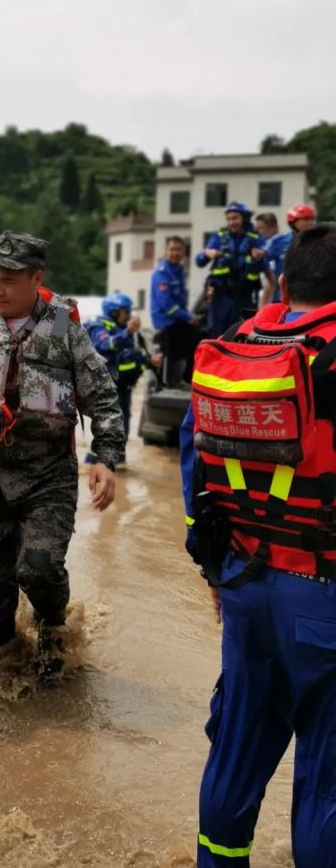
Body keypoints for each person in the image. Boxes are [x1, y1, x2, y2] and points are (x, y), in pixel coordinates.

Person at [180, 223, 336, 866]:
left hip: (245, 586)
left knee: (237, 749)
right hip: (325, 598)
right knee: (326, 780)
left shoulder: (232, 346)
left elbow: (195, 465)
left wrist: (216, 571)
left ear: (283, 280)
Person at [0, 230, 125, 677]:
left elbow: (104, 399)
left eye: (9, 280)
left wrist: (104, 459)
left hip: (48, 476)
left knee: (38, 569)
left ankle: (54, 630)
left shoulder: (63, 330)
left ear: (36, 279)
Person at [84, 291, 161, 456]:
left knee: (123, 423)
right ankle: (96, 464)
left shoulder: (123, 330)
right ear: (113, 312)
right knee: (108, 426)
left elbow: (129, 356)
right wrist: (128, 332)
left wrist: (149, 360)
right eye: (125, 312)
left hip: (124, 385)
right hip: (107, 386)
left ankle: (118, 463)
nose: (128, 316)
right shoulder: (99, 327)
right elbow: (106, 344)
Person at [195, 202, 267, 336]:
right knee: (217, 332)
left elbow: (266, 265)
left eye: (235, 218)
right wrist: (206, 253)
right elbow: (199, 261)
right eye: (229, 219)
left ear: (244, 218)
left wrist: (259, 258)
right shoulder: (219, 236)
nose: (232, 222)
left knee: (243, 332)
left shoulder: (255, 237)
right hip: (220, 295)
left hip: (245, 295)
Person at [150, 237, 200, 387]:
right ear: (166, 252)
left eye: (179, 250)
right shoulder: (162, 273)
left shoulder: (179, 270)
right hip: (166, 320)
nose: (175, 253)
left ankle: (183, 379)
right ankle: (174, 382)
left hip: (177, 318)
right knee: (182, 346)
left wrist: (190, 316)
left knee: (195, 339)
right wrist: (188, 317)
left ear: (184, 252)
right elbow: (167, 305)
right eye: (172, 250)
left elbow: (181, 301)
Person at [261, 203, 316, 305]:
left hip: (311, 296)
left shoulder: (320, 240)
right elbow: (263, 260)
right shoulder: (279, 241)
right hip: (282, 296)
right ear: (293, 222)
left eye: (312, 219)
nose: (310, 223)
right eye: (306, 219)